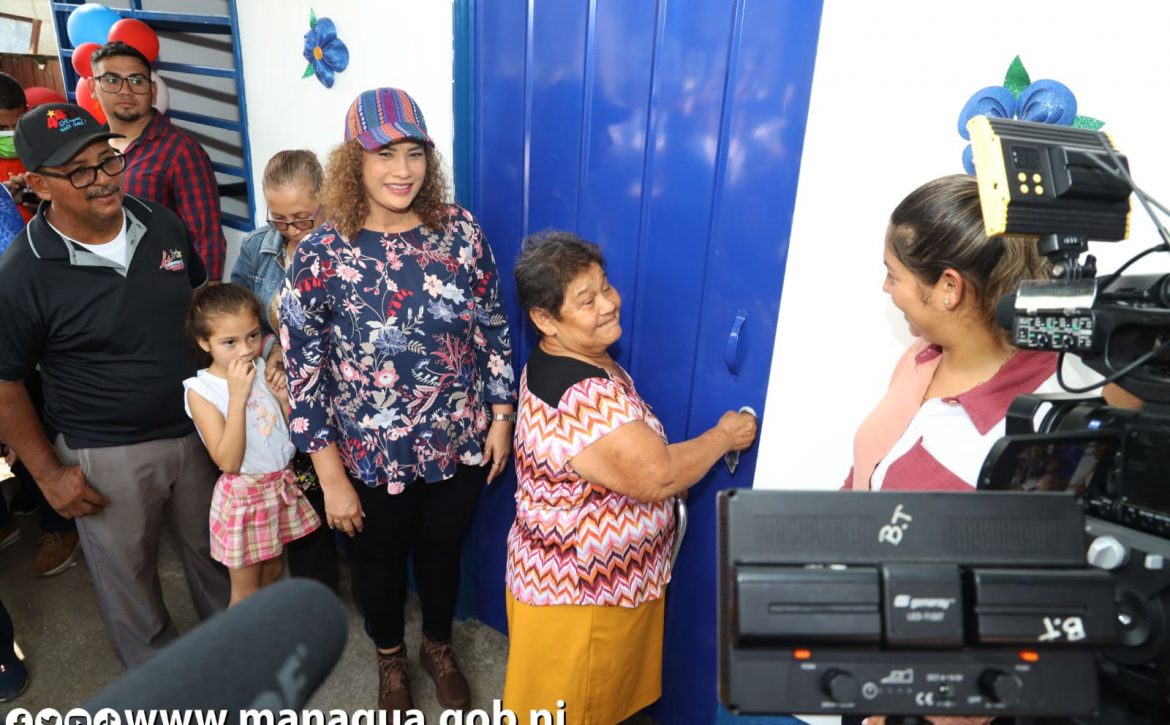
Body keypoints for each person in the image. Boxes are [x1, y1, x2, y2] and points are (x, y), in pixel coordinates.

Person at [281, 87, 516, 713]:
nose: (402, 169)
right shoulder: (320, 254)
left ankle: (437, 646)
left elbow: (492, 326)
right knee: (378, 567)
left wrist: (501, 416)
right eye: (384, 154)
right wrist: (330, 478)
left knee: (441, 556)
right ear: (352, 161)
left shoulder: (459, 231)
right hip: (367, 455)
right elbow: (305, 378)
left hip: (457, 442)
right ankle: (390, 658)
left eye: (414, 153)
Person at [0, 102, 229, 668]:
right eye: (78, 171)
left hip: (198, 430)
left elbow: (201, 304)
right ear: (38, 184)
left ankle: (233, 658)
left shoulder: (160, 223)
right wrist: (48, 475)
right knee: (130, 581)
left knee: (219, 556)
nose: (102, 179)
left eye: (107, 160)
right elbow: (5, 384)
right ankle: (162, 688)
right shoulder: (23, 272)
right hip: (106, 452)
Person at [502, 230, 757, 724]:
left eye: (605, 286)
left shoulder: (566, 358)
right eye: (586, 300)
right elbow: (658, 475)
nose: (607, 304)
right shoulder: (581, 398)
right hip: (580, 600)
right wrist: (725, 436)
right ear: (544, 320)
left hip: (599, 587)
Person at [846, 174, 1065, 493]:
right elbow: (866, 468)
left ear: (949, 287)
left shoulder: (1029, 425)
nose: (885, 286)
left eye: (893, 275)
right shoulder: (921, 354)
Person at [230, 149, 337, 591]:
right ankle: (312, 594)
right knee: (299, 500)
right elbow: (237, 318)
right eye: (280, 219)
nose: (291, 230)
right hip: (279, 399)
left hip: (337, 396)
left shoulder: (347, 245)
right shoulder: (258, 248)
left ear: (326, 200)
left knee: (344, 501)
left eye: (303, 219)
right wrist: (271, 347)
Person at [182, 284, 320, 605]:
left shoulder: (260, 368)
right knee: (245, 592)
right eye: (229, 342)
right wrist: (238, 398)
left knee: (273, 571)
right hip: (245, 497)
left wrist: (283, 401)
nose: (245, 349)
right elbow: (228, 462)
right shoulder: (201, 391)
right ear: (204, 342)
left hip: (279, 486)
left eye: (253, 336)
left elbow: (286, 440)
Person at [89, 41, 227, 280]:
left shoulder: (180, 151)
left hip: (164, 288)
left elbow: (206, 237)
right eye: (112, 80)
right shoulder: (88, 152)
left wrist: (206, 296)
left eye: (137, 81)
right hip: (104, 285)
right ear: (93, 88)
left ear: (153, 91)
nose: (125, 91)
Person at [0, 73, 34, 224]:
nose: (11, 133)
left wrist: (33, 194)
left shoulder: (43, 150)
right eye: (1, 128)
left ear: (27, 112)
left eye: (17, 124)